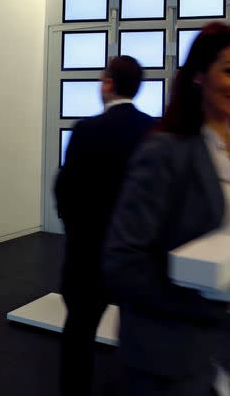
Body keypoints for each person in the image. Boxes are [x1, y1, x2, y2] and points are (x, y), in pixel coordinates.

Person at [104, 22, 230, 395]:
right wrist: (214, 305)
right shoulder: (164, 151)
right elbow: (123, 264)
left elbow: (229, 245)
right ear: (199, 76)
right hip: (163, 358)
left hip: (214, 347)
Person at [54, 55, 155, 396]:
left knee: (78, 336)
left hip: (88, 256)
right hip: (139, 260)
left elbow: (65, 190)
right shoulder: (154, 131)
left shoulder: (86, 130)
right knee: (142, 341)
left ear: (109, 83)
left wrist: (76, 233)